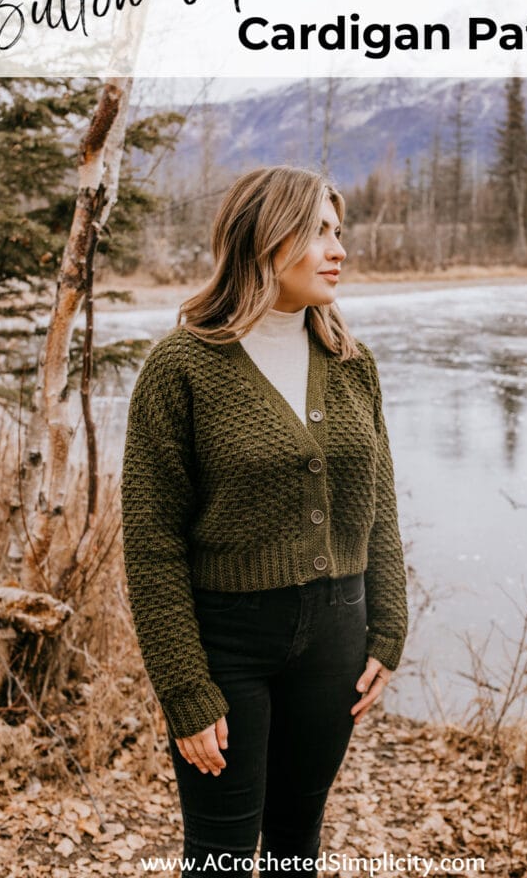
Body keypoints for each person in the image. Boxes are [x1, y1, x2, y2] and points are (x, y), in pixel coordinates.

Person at [120, 165, 408, 875]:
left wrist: (387, 624)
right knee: (218, 852)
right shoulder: (182, 367)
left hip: (335, 638)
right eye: (317, 232)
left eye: (339, 231)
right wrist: (183, 687)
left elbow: (378, 506)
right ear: (263, 238)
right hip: (228, 643)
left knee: (295, 843)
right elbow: (151, 543)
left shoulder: (351, 362)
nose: (338, 249)